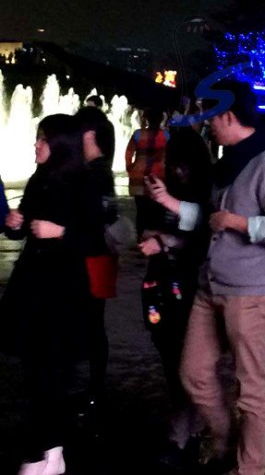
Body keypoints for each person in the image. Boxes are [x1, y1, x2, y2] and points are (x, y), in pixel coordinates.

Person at [179, 79, 265, 475]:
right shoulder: (228, 161)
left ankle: (250, 468)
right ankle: (227, 439)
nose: (207, 126)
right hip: (211, 284)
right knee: (193, 372)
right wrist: (169, 204)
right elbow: (210, 219)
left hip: (251, 291)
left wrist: (238, 222)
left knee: (251, 387)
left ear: (227, 115)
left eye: (211, 117)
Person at [0, 114, 89, 475]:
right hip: (32, 284)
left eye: (43, 139)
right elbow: (26, 226)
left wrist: (60, 232)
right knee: (34, 367)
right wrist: (14, 224)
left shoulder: (81, 183)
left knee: (52, 368)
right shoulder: (40, 179)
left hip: (61, 289)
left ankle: (49, 452)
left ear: (61, 145)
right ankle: (48, 450)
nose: (36, 145)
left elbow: (94, 238)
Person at [140, 125, 213, 469]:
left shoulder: (203, 194)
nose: (177, 171)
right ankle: (186, 427)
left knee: (188, 363)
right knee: (169, 358)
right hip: (160, 286)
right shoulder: (163, 189)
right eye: (173, 163)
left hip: (188, 287)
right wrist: (152, 232)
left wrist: (166, 241)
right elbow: (147, 226)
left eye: (184, 165)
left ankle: (187, 431)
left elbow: (202, 238)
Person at [74, 105, 118, 433]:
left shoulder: (95, 172)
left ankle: (95, 387)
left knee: (90, 322)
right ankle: (95, 386)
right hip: (101, 257)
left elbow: (95, 217)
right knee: (93, 322)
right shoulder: (99, 170)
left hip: (93, 257)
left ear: (89, 134)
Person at [125, 106, 170, 240]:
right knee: (157, 213)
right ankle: (154, 242)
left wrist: (130, 168)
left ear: (147, 119)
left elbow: (128, 153)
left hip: (138, 179)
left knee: (141, 213)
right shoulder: (166, 135)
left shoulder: (138, 134)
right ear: (161, 119)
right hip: (158, 179)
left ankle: (141, 240)